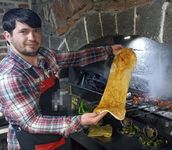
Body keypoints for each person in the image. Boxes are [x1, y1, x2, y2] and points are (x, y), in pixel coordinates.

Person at [0, 8, 123, 150]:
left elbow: (76, 57)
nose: (32, 38)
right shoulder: (10, 76)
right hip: (33, 144)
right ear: (7, 36)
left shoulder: (44, 55)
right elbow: (31, 123)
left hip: (60, 135)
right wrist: (80, 121)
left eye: (36, 30)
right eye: (24, 31)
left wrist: (108, 51)